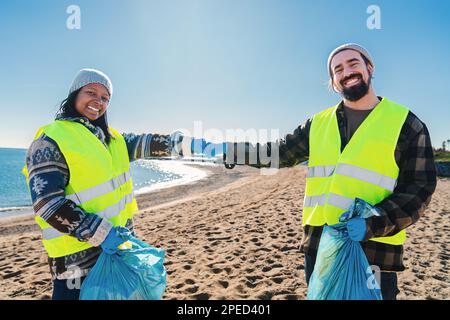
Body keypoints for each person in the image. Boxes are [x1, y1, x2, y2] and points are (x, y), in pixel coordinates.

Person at [224, 43, 437, 300]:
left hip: (375, 250)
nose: (347, 72)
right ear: (334, 83)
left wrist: (375, 222)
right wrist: (229, 150)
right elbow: (278, 153)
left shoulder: (407, 124)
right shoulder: (318, 124)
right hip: (319, 246)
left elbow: (420, 187)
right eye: (338, 69)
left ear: (370, 68)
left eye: (353, 63)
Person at [23, 68, 189, 300]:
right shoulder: (50, 140)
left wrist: (200, 145)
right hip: (75, 263)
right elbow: (48, 204)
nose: (98, 102)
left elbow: (152, 143)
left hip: (118, 252)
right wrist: (103, 234)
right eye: (91, 92)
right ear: (74, 95)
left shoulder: (113, 139)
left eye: (105, 98)